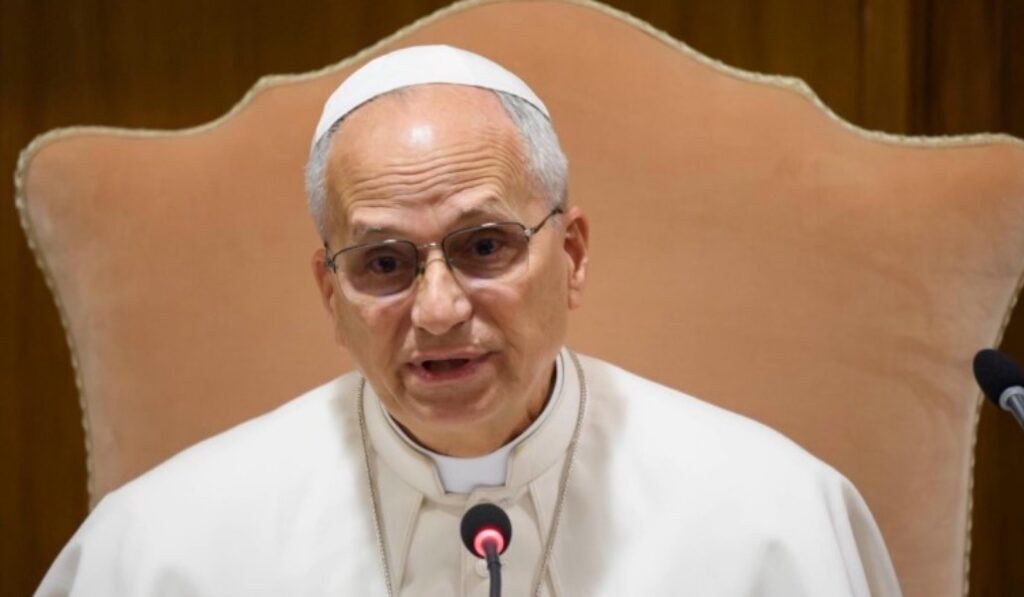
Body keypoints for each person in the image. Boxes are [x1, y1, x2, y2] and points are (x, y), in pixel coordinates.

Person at [36, 45, 901, 596]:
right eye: (384, 263)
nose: (440, 310)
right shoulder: (163, 548)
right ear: (329, 293)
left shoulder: (772, 517)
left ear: (573, 255)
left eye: (484, 245)